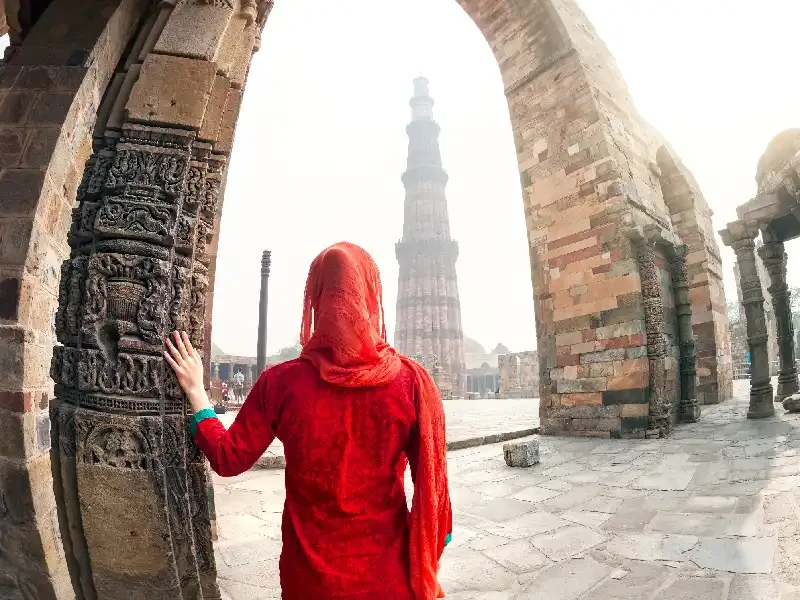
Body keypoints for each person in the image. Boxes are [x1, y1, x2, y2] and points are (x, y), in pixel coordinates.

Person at [164, 242, 452, 600]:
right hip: (387, 577)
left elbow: (228, 458)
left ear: (316, 298)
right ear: (371, 296)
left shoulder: (281, 384)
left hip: (311, 579)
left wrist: (196, 392)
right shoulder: (410, 383)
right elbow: (433, 493)